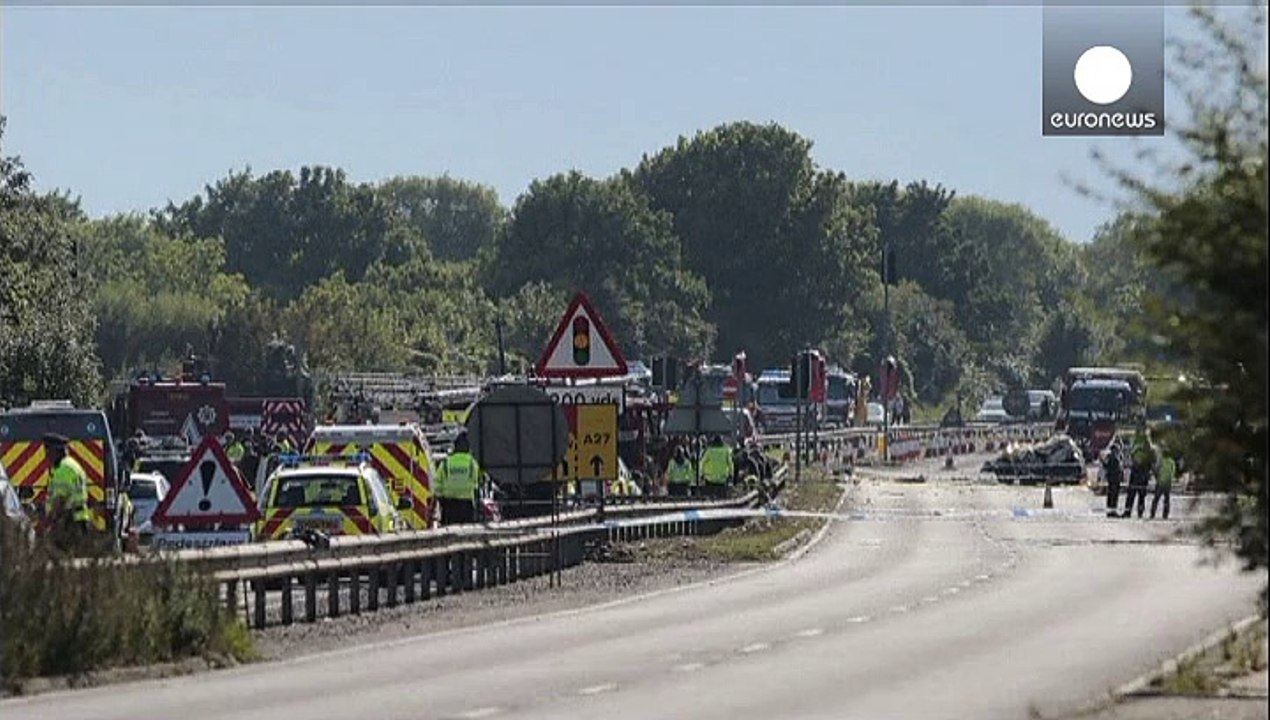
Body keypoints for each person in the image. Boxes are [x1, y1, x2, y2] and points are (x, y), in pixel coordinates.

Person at [43, 433, 92, 549]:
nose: (47, 455)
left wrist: (47, 522)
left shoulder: (63, 469)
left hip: (69, 524)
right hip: (79, 520)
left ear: (56, 451)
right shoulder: (73, 465)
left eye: (48, 451)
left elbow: (60, 501)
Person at [436, 431, 480, 525]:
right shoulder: (472, 463)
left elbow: (437, 483)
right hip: (466, 505)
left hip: (449, 505)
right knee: (466, 532)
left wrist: (440, 500)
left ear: (455, 447)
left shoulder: (446, 462)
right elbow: (476, 483)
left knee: (448, 531)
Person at [1124, 427, 1156, 519]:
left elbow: (1153, 460)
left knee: (1139, 495)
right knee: (1133, 494)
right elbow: (1131, 454)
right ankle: (1129, 512)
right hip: (1137, 472)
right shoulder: (1139, 445)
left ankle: (1138, 512)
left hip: (1142, 472)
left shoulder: (1149, 448)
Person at [700, 435, 735, 500]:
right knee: (721, 498)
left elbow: (702, 463)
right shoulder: (726, 451)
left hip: (710, 478)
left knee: (709, 498)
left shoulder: (709, 451)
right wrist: (731, 474)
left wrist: (702, 474)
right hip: (722, 479)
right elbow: (730, 464)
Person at [1102, 439, 1125, 518]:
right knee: (1112, 496)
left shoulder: (1118, 457)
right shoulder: (1113, 457)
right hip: (1113, 479)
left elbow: (1120, 468)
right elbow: (1108, 466)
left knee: (1113, 496)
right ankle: (1111, 512)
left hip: (1115, 479)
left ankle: (1111, 511)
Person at [1151, 451, 1177, 520]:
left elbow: (1156, 470)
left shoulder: (1161, 461)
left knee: (1156, 499)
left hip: (1160, 482)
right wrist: (1170, 479)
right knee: (1166, 499)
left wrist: (1157, 477)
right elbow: (1173, 472)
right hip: (1168, 483)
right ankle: (1165, 514)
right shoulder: (1172, 462)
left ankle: (1152, 513)